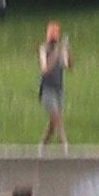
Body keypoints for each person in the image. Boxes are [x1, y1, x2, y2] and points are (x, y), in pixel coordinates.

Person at [35, 20, 69, 148]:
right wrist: (55, 54)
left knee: (53, 123)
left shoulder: (60, 50)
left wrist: (66, 50)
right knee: (57, 118)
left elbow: (67, 65)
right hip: (47, 89)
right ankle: (64, 145)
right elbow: (44, 69)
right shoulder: (43, 49)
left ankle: (42, 146)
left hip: (58, 89)